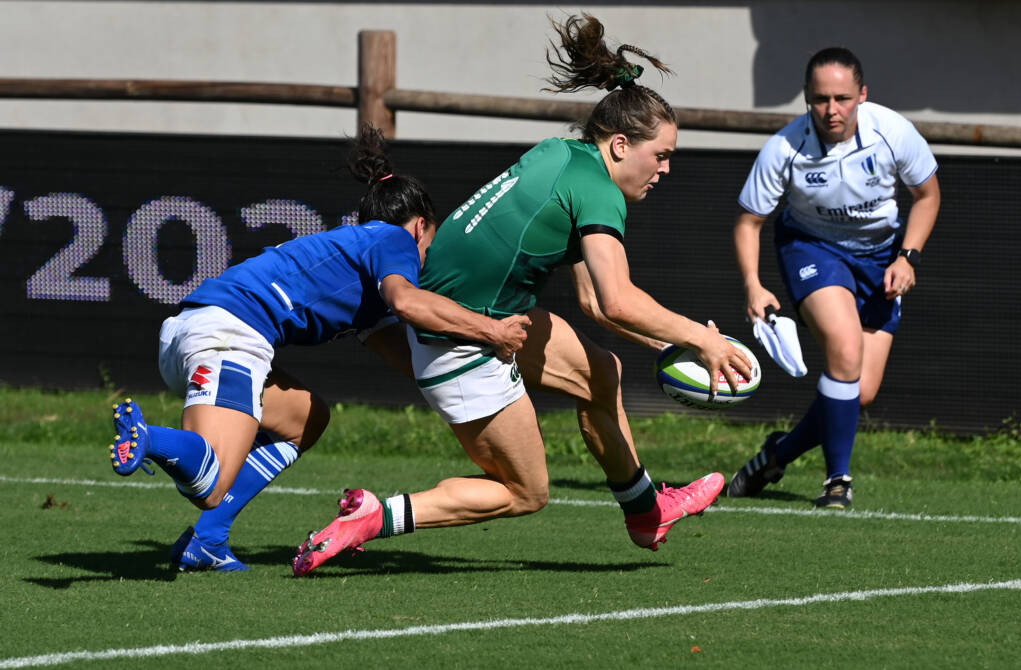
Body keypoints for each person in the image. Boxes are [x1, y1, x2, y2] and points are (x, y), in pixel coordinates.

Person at [293, 14, 753, 576]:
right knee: (526, 492)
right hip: (459, 341)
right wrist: (699, 339)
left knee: (601, 374)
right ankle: (373, 516)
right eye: (659, 155)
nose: (665, 169)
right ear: (618, 145)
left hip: (482, 317)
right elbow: (616, 300)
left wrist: (665, 345)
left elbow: (594, 304)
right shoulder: (599, 193)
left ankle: (647, 513)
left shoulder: (561, 155)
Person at [107, 125, 530, 571]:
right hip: (228, 337)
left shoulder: (358, 258)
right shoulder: (393, 241)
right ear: (420, 226)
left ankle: (209, 540)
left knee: (305, 419)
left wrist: (471, 382)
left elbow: (410, 360)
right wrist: (492, 332)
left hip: (197, 334)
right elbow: (407, 303)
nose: (424, 259)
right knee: (208, 483)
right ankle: (150, 438)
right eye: (429, 245)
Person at [726, 47, 940, 509]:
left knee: (857, 392)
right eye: (820, 99)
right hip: (812, 249)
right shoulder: (786, 147)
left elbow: (927, 195)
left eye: (842, 97)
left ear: (862, 95)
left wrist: (907, 258)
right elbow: (749, 222)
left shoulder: (893, 132)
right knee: (844, 350)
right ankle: (837, 481)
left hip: (881, 256)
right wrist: (753, 284)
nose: (831, 110)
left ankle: (775, 455)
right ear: (807, 98)